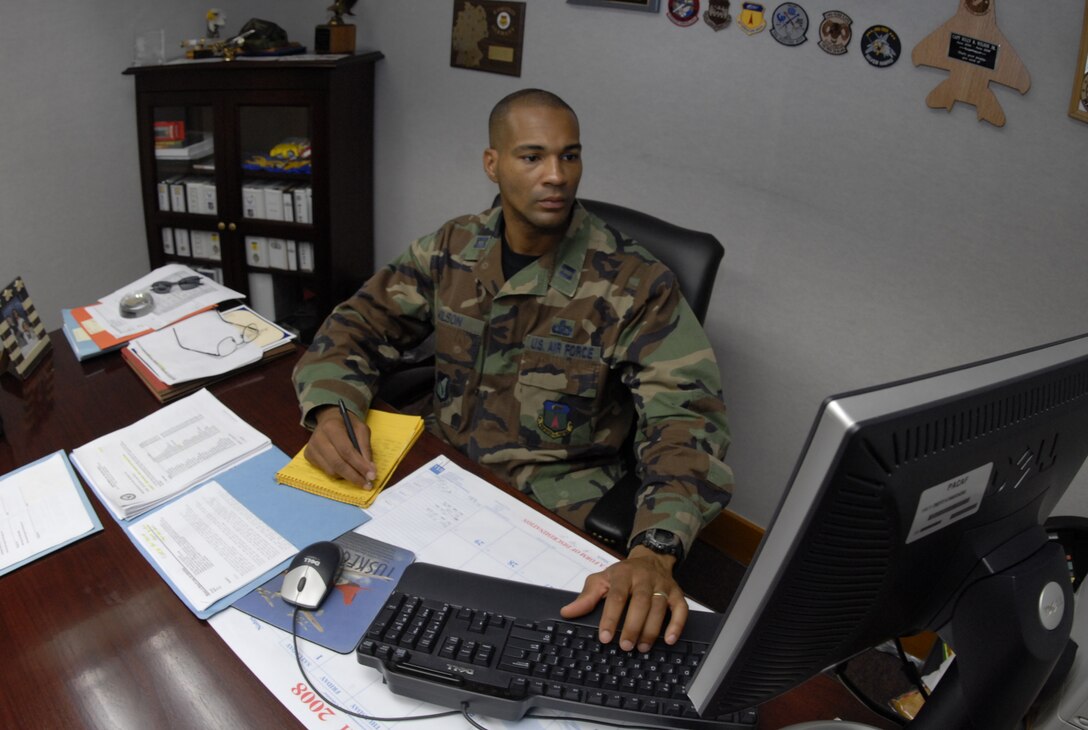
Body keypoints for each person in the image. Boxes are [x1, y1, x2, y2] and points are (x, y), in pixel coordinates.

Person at [293, 88, 734, 654]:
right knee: (335, 621)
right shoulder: (451, 248)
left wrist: (653, 549)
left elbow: (687, 422)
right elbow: (356, 324)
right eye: (532, 157)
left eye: (569, 156)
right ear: (492, 164)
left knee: (515, 661)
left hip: (553, 510)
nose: (556, 175)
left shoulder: (636, 284)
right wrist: (332, 406)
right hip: (438, 473)